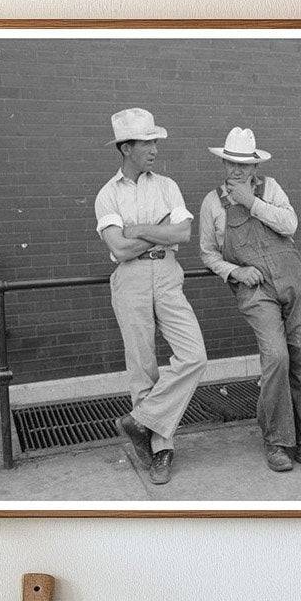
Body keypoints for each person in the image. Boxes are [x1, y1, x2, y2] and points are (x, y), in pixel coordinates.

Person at [198, 128, 301, 478]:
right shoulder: (212, 203)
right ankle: (276, 440)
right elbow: (208, 254)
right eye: (231, 163)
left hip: (294, 282)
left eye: (244, 164)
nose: (236, 171)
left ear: (255, 166)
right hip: (255, 289)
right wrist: (235, 272)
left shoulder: (271, 189)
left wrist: (250, 201)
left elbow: (290, 224)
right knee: (276, 356)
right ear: (224, 163)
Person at [94, 107, 207, 485]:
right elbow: (120, 250)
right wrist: (160, 228)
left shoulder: (167, 186)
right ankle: (160, 450)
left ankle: (138, 422)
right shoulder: (107, 196)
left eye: (155, 141)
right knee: (143, 367)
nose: (155, 148)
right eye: (146, 142)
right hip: (131, 280)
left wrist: (139, 229)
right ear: (126, 147)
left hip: (168, 275)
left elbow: (183, 235)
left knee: (193, 355)